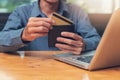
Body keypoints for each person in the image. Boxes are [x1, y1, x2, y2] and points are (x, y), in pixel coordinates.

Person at [0, 0, 100, 55]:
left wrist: (84, 45)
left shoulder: (77, 11)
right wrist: (23, 35)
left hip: (69, 70)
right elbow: (1, 41)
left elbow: (96, 40)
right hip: (32, 69)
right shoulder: (21, 11)